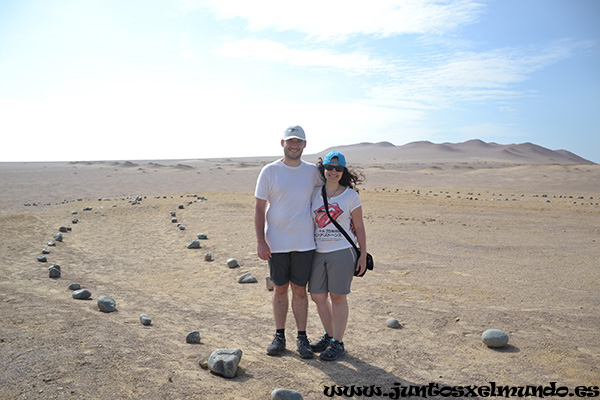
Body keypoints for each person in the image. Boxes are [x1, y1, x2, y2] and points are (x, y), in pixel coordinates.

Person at [254, 125, 324, 359]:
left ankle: (302, 337)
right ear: (282, 143)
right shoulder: (270, 171)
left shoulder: (313, 172)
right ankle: (279, 336)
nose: (294, 146)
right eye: (290, 141)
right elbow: (259, 207)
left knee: (300, 291)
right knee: (280, 289)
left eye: (299, 142)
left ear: (305, 144)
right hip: (276, 243)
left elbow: (331, 191)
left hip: (305, 243)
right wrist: (260, 241)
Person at [308, 150, 367, 361]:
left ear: (343, 171)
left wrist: (363, 254)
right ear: (323, 169)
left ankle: (338, 343)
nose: (333, 172)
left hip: (342, 251)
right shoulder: (314, 192)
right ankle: (329, 335)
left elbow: (359, 226)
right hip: (317, 251)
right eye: (329, 168)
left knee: (338, 297)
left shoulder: (351, 196)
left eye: (338, 168)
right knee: (317, 296)